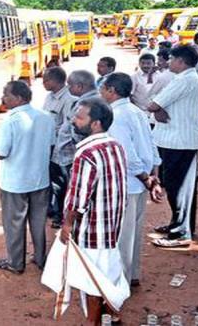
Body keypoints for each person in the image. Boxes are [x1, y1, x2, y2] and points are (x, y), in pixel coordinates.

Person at [60, 97, 128, 325]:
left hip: (91, 231)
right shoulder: (115, 145)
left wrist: (67, 225)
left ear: (96, 123)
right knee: (107, 273)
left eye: (79, 118)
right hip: (112, 226)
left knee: (92, 280)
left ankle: (94, 321)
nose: (73, 121)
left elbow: (78, 199)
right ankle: (109, 314)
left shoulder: (86, 153)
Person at [100, 73, 163, 288]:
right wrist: (153, 176)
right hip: (140, 181)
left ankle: (121, 282)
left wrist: (146, 178)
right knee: (133, 232)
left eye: (103, 88)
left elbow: (125, 154)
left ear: (111, 90)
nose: (101, 92)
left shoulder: (116, 116)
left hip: (128, 182)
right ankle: (132, 274)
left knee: (123, 237)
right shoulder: (136, 112)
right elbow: (151, 145)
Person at [0, 81, 55, 274]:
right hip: (40, 179)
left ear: (18, 98)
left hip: (15, 182)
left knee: (14, 223)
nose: (3, 98)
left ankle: (15, 262)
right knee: (38, 221)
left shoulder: (10, 121)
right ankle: (40, 258)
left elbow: (1, 153)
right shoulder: (46, 118)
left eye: (6, 94)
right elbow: (51, 146)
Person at [147, 45, 198, 248]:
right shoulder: (185, 79)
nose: (168, 62)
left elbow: (153, 104)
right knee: (176, 186)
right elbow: (155, 106)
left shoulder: (185, 80)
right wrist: (157, 109)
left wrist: (157, 108)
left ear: (181, 61)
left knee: (178, 188)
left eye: (171, 59)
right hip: (174, 140)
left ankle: (181, 232)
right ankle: (178, 224)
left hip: (179, 141)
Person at [51, 70, 100, 228]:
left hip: (72, 156)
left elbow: (79, 132)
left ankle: (72, 222)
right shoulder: (95, 99)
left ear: (80, 86)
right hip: (73, 155)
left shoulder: (85, 104)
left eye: (70, 85)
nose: (68, 88)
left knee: (74, 191)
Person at [42, 67, 74, 227]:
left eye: (46, 80)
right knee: (50, 180)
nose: (43, 83)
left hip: (61, 148)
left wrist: (58, 146)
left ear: (56, 81)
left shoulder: (69, 99)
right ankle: (50, 209)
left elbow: (67, 127)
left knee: (62, 183)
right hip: (48, 144)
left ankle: (60, 215)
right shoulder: (49, 97)